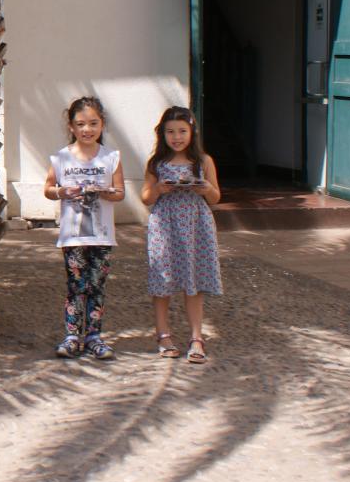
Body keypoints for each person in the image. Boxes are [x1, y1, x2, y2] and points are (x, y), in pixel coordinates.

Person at [44, 96, 126, 360]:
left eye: (93, 123)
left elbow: (120, 192)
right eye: (81, 124)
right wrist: (62, 191)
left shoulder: (111, 157)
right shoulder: (60, 157)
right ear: (71, 126)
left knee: (96, 286)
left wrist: (104, 191)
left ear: (102, 125)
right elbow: (48, 189)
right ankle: (71, 336)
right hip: (72, 236)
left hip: (101, 235)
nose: (87, 129)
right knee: (75, 285)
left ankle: (93, 336)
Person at [140, 106, 222, 364]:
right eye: (170, 131)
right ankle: (163, 334)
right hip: (165, 225)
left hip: (196, 225)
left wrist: (206, 188)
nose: (177, 137)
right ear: (162, 134)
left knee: (193, 280)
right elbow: (145, 197)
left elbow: (216, 197)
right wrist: (158, 188)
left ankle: (196, 337)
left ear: (192, 133)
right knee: (163, 280)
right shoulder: (156, 163)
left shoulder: (204, 161)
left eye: (182, 131)